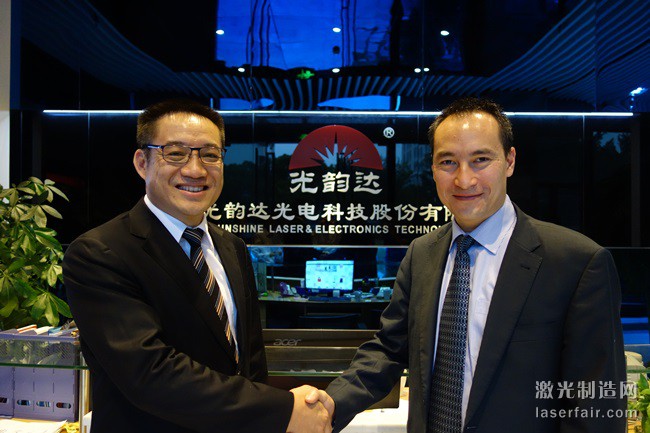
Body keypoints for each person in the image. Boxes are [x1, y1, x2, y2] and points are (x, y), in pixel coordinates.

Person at [324, 97, 626, 432]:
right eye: (448, 162)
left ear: (509, 161)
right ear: (432, 168)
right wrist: (328, 406)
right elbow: (389, 350)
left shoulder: (576, 263)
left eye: (480, 159)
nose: (464, 180)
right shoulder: (421, 254)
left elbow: (596, 402)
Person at [63, 99, 333, 433]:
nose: (195, 170)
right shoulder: (100, 252)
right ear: (142, 163)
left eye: (209, 154)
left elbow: (250, 361)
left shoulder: (231, 247)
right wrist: (283, 409)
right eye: (175, 153)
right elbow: (150, 373)